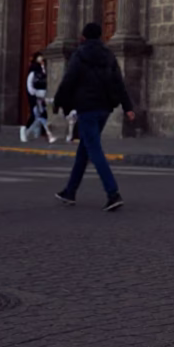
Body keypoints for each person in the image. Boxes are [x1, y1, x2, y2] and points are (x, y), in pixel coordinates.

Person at [52, 23, 135, 211]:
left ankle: (113, 193)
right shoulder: (109, 56)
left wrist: (58, 102)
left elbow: (68, 81)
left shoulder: (79, 56)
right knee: (85, 149)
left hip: (86, 108)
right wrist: (127, 107)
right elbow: (119, 83)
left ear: (83, 37)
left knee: (95, 151)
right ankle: (70, 191)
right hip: (104, 109)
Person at [21, 52, 50, 143]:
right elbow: (29, 84)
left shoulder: (43, 69)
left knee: (42, 114)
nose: (41, 58)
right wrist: (32, 95)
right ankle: (24, 130)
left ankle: (37, 133)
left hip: (43, 95)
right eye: (39, 57)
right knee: (34, 115)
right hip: (35, 95)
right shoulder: (33, 70)